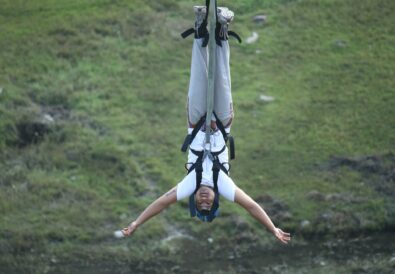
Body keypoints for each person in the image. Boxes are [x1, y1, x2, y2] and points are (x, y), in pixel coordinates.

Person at [122, 6, 291, 244]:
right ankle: (222, 28)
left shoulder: (190, 183)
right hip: (222, 121)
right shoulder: (223, 184)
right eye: (207, 203)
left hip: (196, 121)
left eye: (199, 203)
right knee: (221, 78)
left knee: (198, 76)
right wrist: (272, 228)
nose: (203, 199)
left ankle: (201, 29)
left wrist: (136, 223)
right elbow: (251, 206)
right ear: (215, 199)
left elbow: (161, 203)